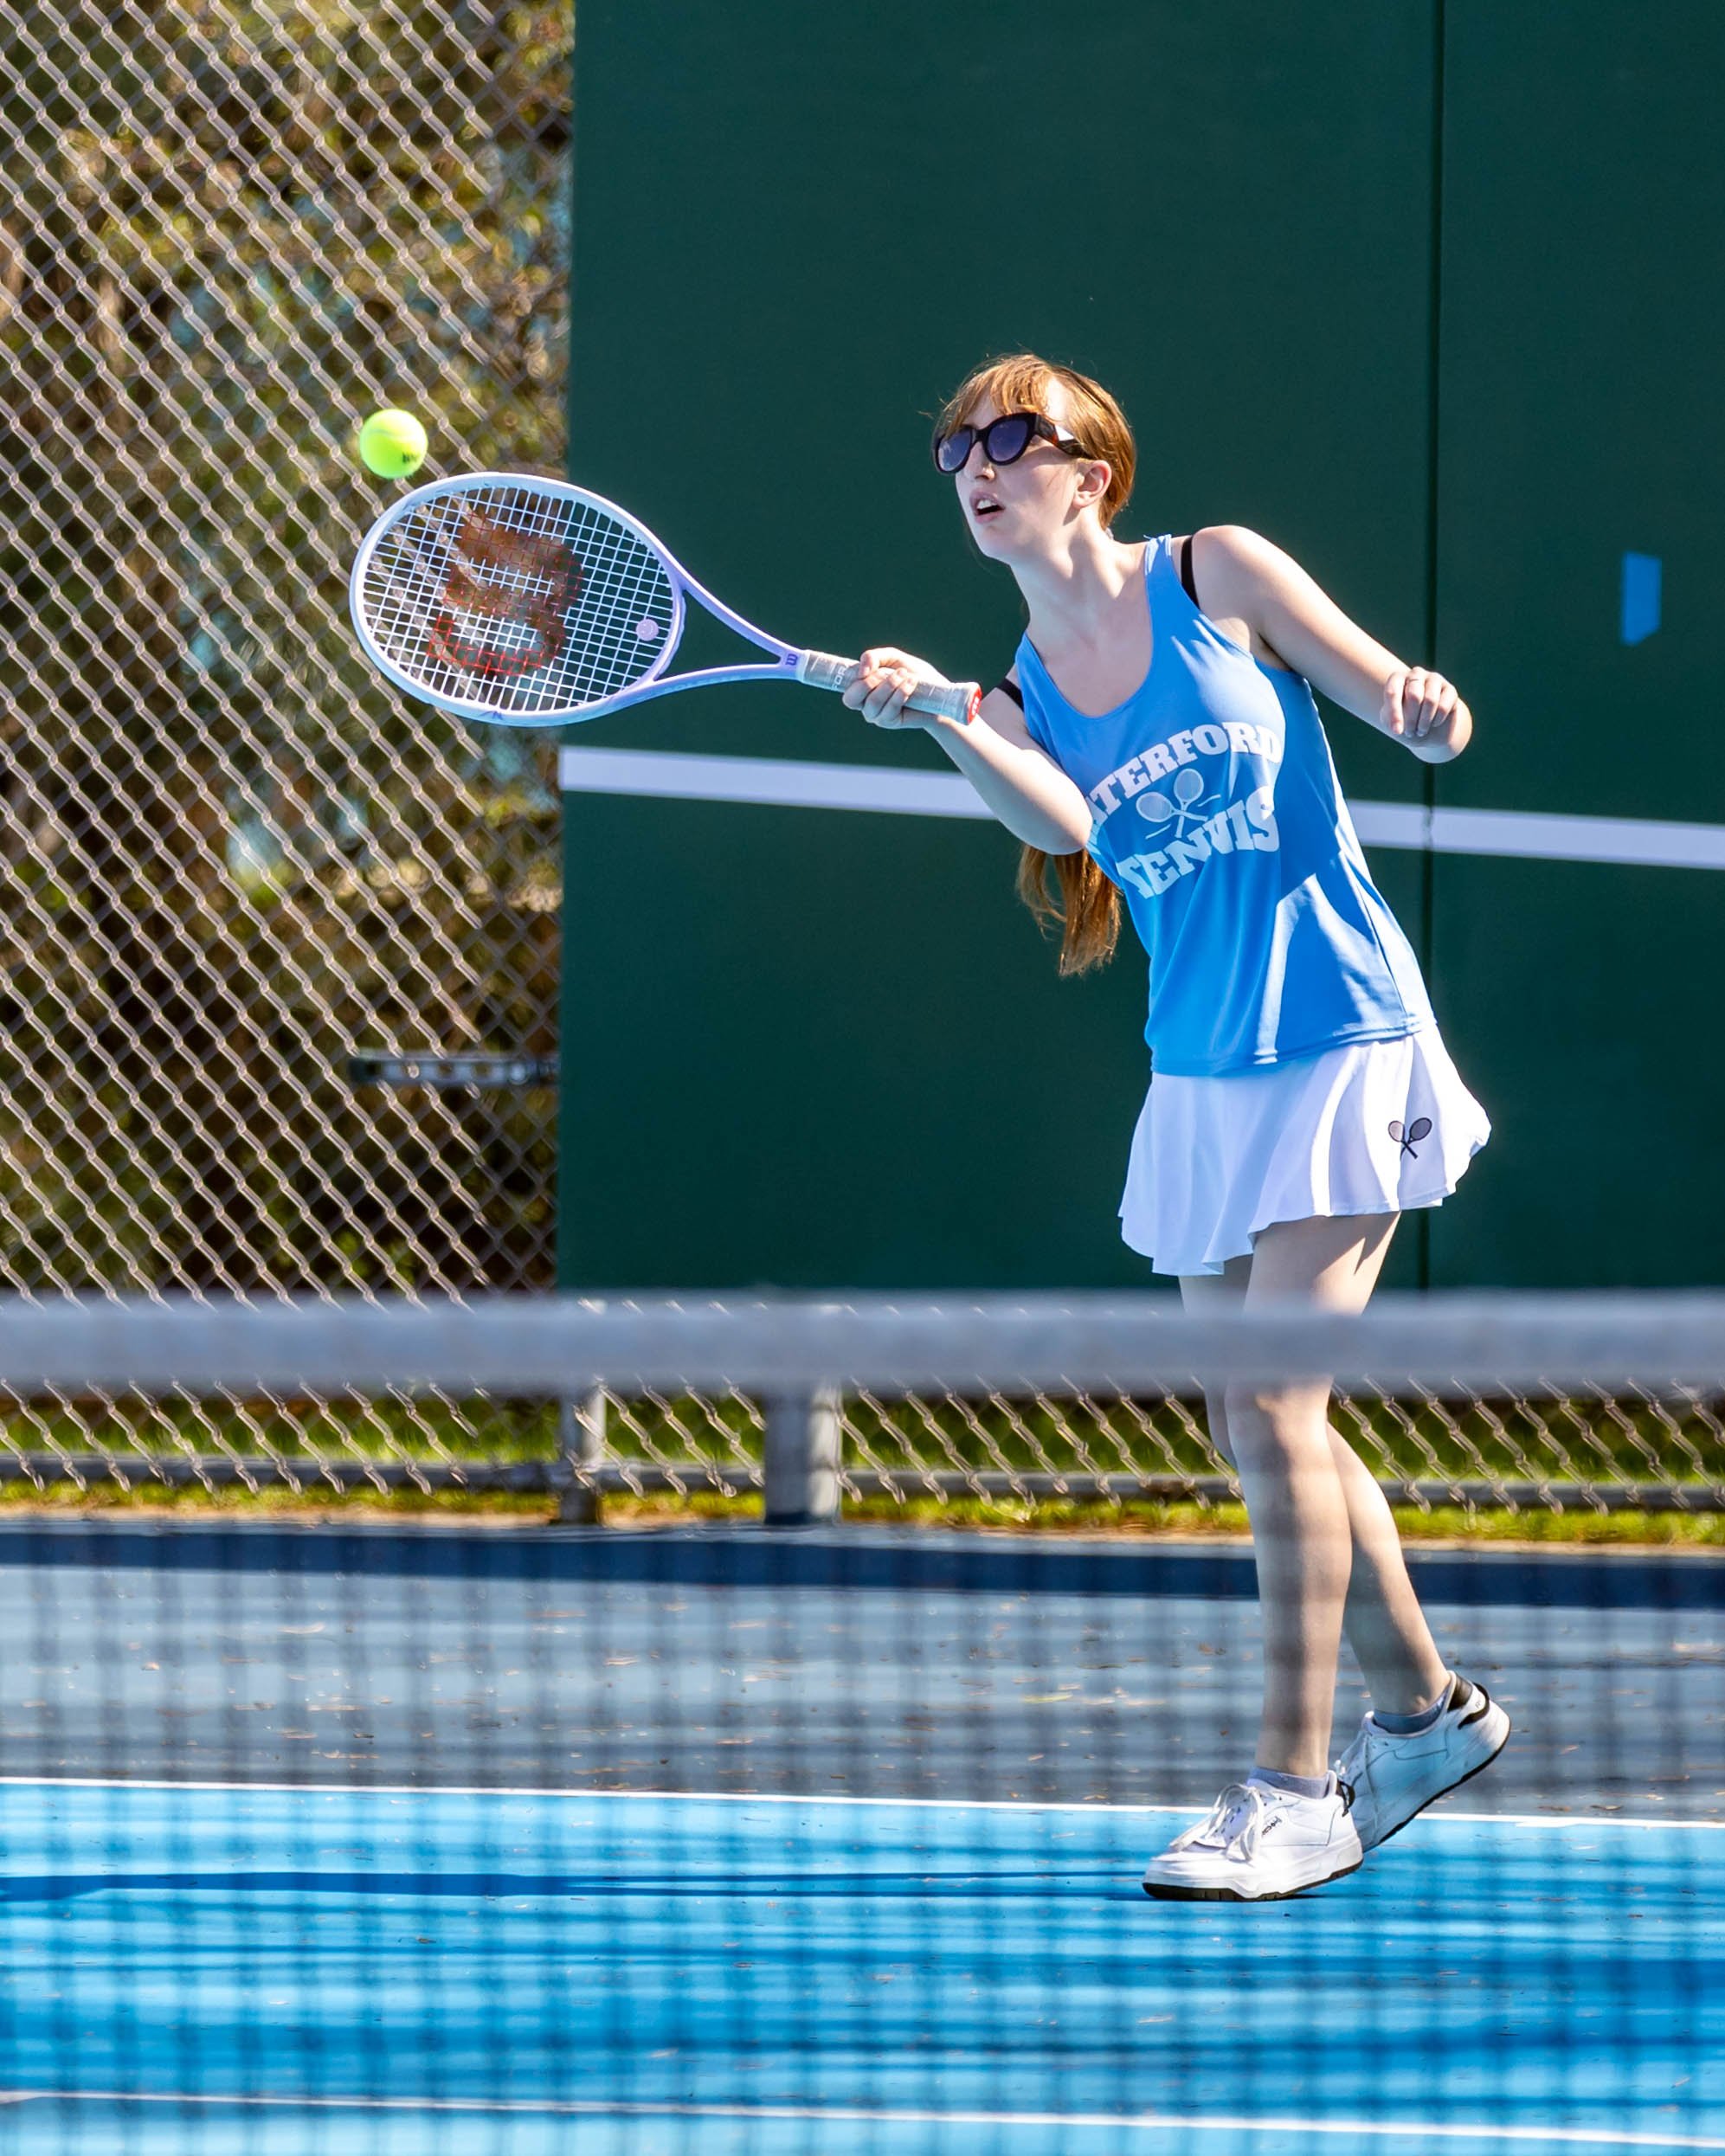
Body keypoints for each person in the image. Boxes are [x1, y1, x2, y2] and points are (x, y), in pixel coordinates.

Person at [842, 353, 1508, 1902]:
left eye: (1011, 438)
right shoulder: (1016, 687)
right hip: (1201, 1071)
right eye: (956, 448)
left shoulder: (1216, 571)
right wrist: (946, 709)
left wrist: (1422, 709)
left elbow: (1383, 691)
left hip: (1343, 1032)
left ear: (1092, 466)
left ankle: (1293, 1793)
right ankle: (1424, 1718)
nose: (978, 464)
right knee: (1260, 1430)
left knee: (1274, 1417)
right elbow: (1058, 825)